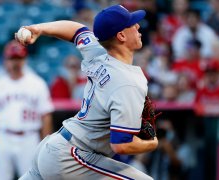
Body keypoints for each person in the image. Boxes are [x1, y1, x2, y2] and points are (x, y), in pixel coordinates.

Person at [16, 4, 158, 179]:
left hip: (53, 148)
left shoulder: (98, 53)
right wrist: (151, 143)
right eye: (132, 24)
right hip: (71, 159)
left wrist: (40, 28)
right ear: (121, 35)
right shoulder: (128, 82)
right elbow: (121, 145)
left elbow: (77, 30)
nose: (137, 26)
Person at [0, 40, 54, 180]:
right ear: (5, 60)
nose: (15, 63)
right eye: (12, 58)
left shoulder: (37, 83)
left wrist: (45, 148)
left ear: (25, 59)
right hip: (3, 137)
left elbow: (46, 117)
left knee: (32, 177)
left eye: (19, 58)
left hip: (29, 137)